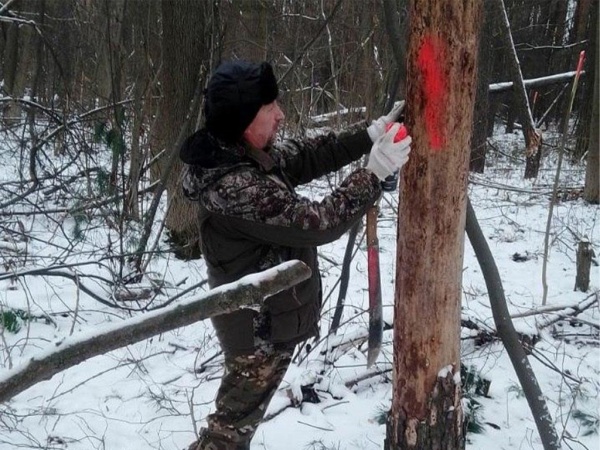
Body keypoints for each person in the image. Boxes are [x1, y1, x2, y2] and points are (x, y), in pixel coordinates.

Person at [180, 60, 411, 450]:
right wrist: (374, 172)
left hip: (267, 318)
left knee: (232, 432)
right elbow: (317, 222)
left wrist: (369, 135)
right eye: (270, 108)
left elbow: (306, 154)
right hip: (255, 333)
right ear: (244, 120)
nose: (281, 115)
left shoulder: (241, 153)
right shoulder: (233, 185)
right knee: (225, 438)